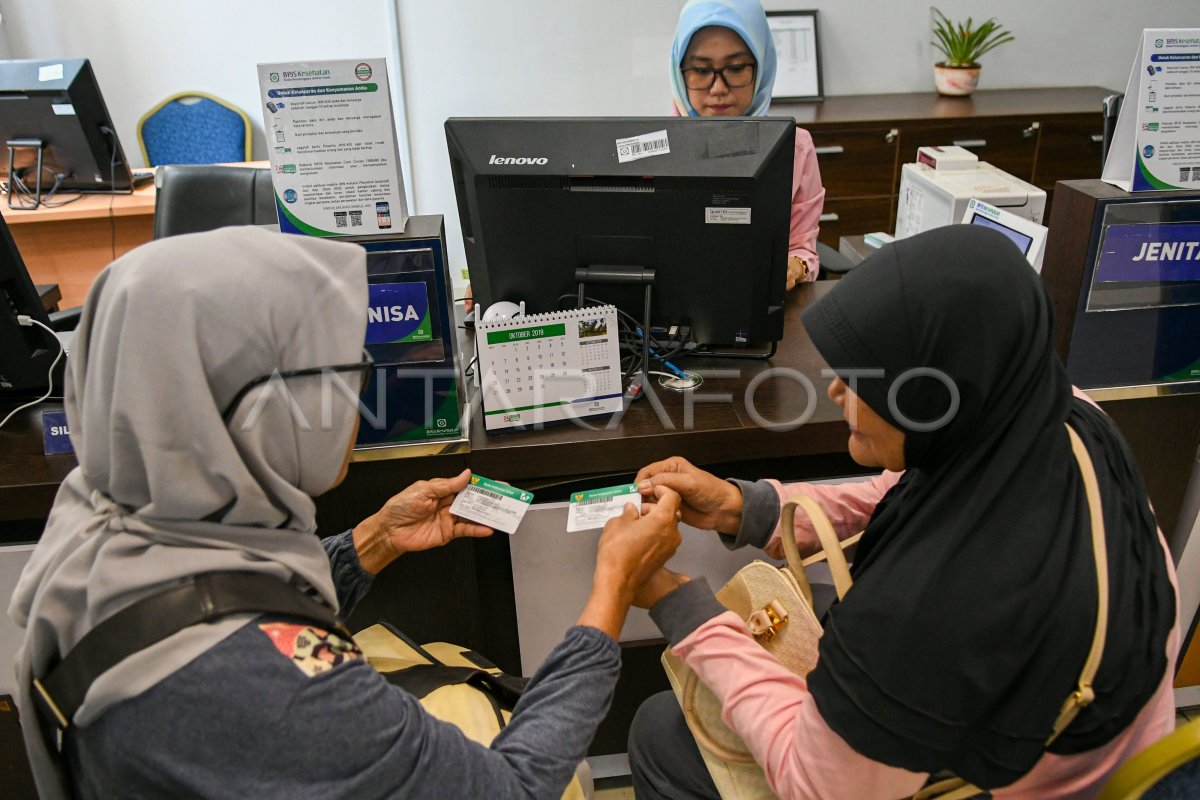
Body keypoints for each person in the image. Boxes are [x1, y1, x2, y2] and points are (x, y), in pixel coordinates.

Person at [9, 226, 685, 800]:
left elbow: (205, 606)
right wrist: (611, 594)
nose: (357, 397)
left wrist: (372, 540)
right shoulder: (278, 689)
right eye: (344, 371)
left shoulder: (96, 519)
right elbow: (510, 788)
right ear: (261, 408)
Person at [626, 225, 1180, 799]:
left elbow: (815, 785)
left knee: (662, 732)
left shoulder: (928, 610)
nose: (836, 391)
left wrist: (680, 606)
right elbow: (906, 488)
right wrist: (744, 507)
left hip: (1007, 780)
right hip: (1086, 735)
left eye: (867, 380)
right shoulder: (1062, 416)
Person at [670, 0, 825, 287]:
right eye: (702, 71)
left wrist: (794, 268)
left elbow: (804, 251)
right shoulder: (660, 145)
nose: (718, 89)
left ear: (761, 65)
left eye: (737, 68)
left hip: (756, 302)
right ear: (680, 72)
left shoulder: (794, 148)